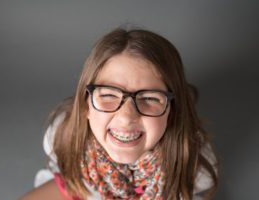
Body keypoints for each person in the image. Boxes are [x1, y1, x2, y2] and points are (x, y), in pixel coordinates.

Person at [20, 28, 218, 200]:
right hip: (85, 187)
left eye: (149, 98)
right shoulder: (62, 137)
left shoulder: (195, 166)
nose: (126, 117)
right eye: (108, 94)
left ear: (171, 111)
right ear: (86, 105)